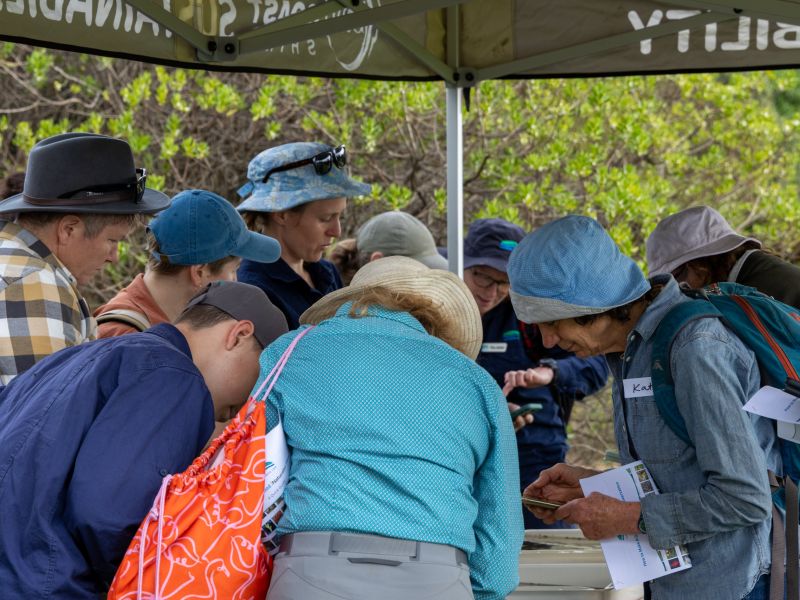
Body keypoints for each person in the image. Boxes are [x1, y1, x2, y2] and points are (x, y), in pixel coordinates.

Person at [509, 215, 780, 600]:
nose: (549, 341)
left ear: (592, 305)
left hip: (732, 584)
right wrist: (591, 485)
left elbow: (745, 498)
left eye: (551, 322)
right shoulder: (631, 351)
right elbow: (681, 472)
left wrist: (624, 517)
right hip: (676, 584)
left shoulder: (694, 348)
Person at [0, 281, 289, 599]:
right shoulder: (175, 376)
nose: (249, 400)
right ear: (239, 335)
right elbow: (110, 516)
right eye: (259, 375)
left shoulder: (73, 356)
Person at [259, 256, 522, 600]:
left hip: (312, 572)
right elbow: (498, 548)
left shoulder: (290, 353)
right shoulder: (477, 383)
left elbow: (252, 471)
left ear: (350, 302)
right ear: (432, 317)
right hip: (436, 579)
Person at [463, 218, 608, 530]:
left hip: (534, 460)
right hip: (465, 459)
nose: (491, 292)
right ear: (462, 264)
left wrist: (550, 372)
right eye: (482, 278)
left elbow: (596, 363)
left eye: (503, 283)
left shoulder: (530, 314)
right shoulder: (436, 312)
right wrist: (489, 414)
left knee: (543, 553)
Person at [0, 133, 170, 384]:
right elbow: (46, 416)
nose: (113, 257)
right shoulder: (35, 285)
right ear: (69, 229)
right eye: (112, 240)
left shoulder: (14, 260)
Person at [94, 189, 281, 337]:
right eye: (234, 270)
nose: (236, 280)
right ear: (199, 272)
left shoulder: (177, 323)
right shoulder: (124, 338)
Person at [236, 142, 371, 328]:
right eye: (325, 218)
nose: (336, 231)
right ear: (281, 214)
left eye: (339, 216)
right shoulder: (253, 290)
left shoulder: (327, 273)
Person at [646, 205, 800, 309]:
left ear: (701, 264)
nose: (679, 288)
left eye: (677, 277)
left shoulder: (752, 294)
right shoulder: (756, 270)